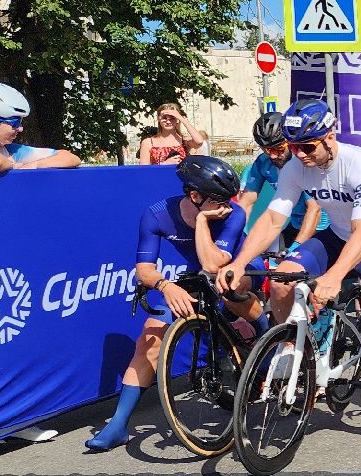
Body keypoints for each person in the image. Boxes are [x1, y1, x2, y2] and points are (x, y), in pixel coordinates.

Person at [217, 99, 361, 448]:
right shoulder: (296, 167)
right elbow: (273, 218)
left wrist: (334, 277)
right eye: (293, 147)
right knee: (280, 278)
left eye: (307, 146)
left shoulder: (360, 166)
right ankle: (292, 349)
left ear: (330, 137)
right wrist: (239, 261)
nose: (299, 155)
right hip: (336, 235)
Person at [86, 156, 254, 452]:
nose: (226, 205)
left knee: (230, 288)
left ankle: (266, 340)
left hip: (236, 265)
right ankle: (118, 424)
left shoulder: (234, 214)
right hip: (193, 274)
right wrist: (166, 286)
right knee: (149, 339)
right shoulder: (156, 214)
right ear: (194, 195)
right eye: (218, 199)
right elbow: (144, 270)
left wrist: (203, 220)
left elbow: (215, 262)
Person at [237, 112, 326, 253]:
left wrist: (296, 248)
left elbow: (314, 209)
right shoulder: (263, 163)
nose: (272, 155)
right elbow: (246, 203)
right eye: (266, 150)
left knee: (295, 265)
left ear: (290, 142)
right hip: (296, 225)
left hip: (323, 228)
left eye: (277, 149)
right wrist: (233, 236)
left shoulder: (303, 162)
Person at [137, 103, 205, 165]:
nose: (168, 121)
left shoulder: (184, 141)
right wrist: (164, 164)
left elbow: (199, 141)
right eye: (164, 118)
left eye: (172, 118)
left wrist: (182, 119)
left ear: (177, 120)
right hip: (158, 178)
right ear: (158, 118)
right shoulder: (148, 142)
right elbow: (144, 170)